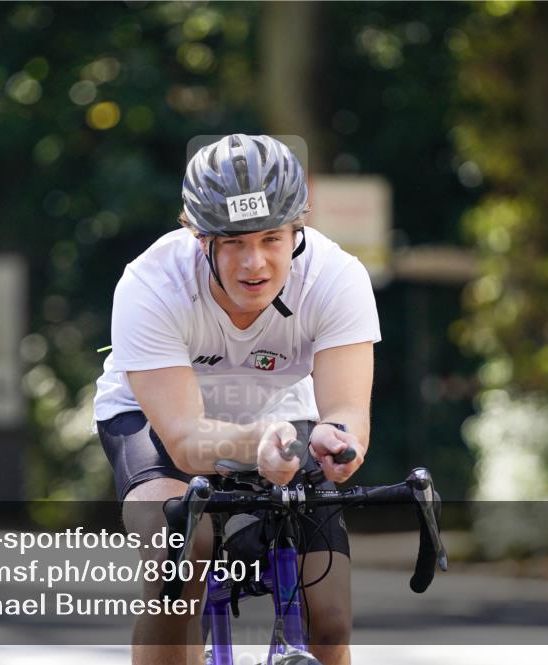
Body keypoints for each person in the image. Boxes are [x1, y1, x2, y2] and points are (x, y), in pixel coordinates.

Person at [93, 134, 381, 665]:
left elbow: (346, 414)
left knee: (331, 618)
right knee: (179, 557)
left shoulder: (337, 278)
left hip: (284, 419)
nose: (255, 264)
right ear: (200, 238)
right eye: (234, 242)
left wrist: (337, 444)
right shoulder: (152, 283)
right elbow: (184, 441)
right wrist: (255, 444)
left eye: (272, 239)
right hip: (156, 420)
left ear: (299, 228)